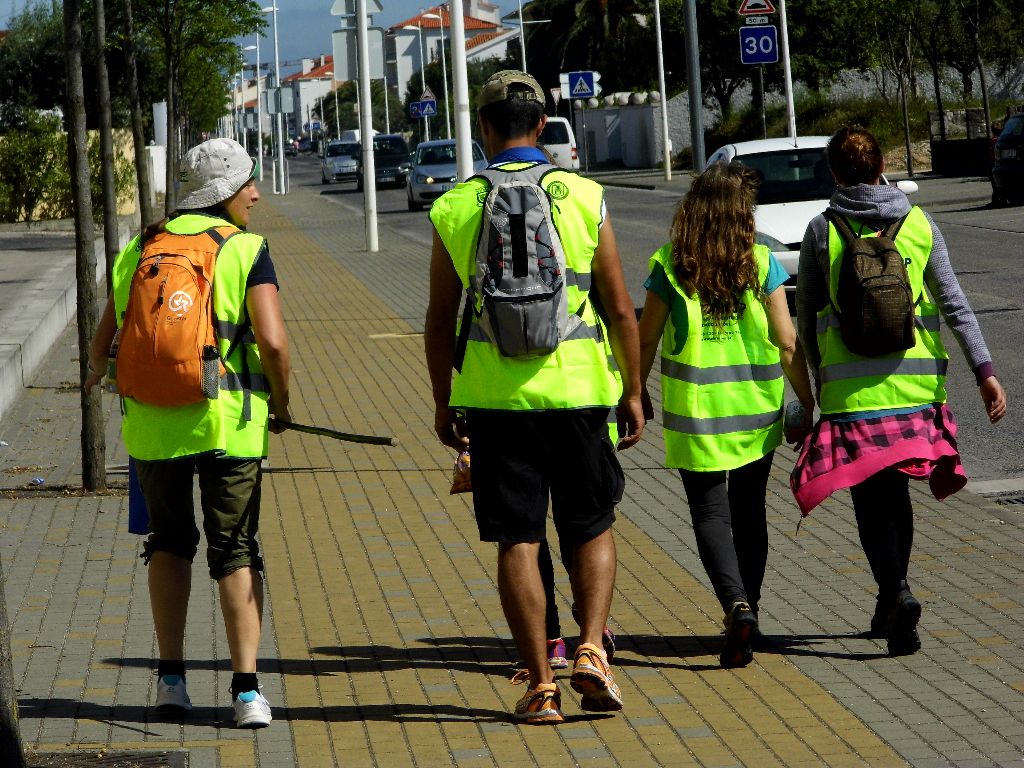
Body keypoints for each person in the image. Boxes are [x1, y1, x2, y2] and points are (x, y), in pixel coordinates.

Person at [424, 70, 644, 724]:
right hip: (580, 390)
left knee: (517, 537)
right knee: (591, 523)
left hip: (495, 401)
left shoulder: (456, 205)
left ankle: (542, 687)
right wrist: (633, 389)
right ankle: (592, 649)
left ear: (484, 128)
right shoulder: (584, 195)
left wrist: (444, 400)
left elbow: (439, 317)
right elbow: (619, 307)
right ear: (542, 126)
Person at [85, 137, 292, 728]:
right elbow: (273, 342)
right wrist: (281, 404)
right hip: (230, 426)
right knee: (236, 549)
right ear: (224, 193)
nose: (255, 194)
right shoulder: (245, 248)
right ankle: (247, 693)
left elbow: (104, 340)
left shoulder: (143, 245)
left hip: (153, 425)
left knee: (168, 544)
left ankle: (171, 683)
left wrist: (100, 377)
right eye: (247, 184)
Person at [792, 126, 1007, 656]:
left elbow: (806, 317)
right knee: (897, 495)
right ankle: (893, 599)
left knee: (872, 501)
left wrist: (815, 383)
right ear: (882, 166)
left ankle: (896, 592)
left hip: (852, 397)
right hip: (915, 392)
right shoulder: (919, 224)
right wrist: (984, 370)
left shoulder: (821, 230)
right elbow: (954, 302)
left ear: (835, 172)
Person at [637, 163, 815, 669]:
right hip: (756, 412)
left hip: (697, 415)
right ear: (741, 213)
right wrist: (807, 402)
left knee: (709, 514)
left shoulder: (670, 265)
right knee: (750, 512)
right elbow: (787, 341)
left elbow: (646, 338)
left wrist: (634, 392)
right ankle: (750, 610)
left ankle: (735, 605)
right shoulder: (761, 263)